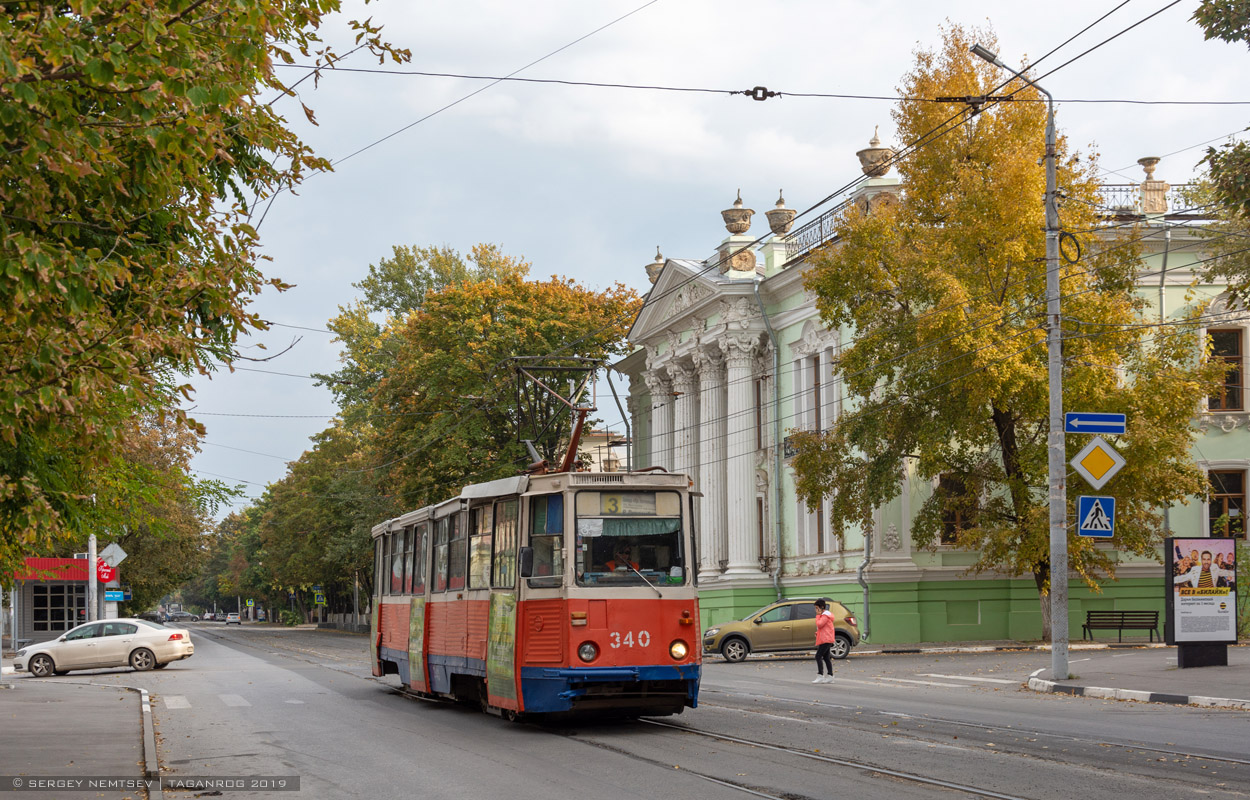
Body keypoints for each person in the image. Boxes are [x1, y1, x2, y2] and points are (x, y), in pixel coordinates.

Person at [812, 598, 836, 684]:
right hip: (826, 638)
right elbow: (824, 628)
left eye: (817, 608)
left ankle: (820, 675)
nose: (816, 610)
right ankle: (830, 676)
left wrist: (818, 615)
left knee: (818, 656)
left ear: (822, 607)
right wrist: (817, 633)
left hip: (826, 639)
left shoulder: (825, 616)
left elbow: (820, 624)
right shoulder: (825, 616)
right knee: (826, 658)